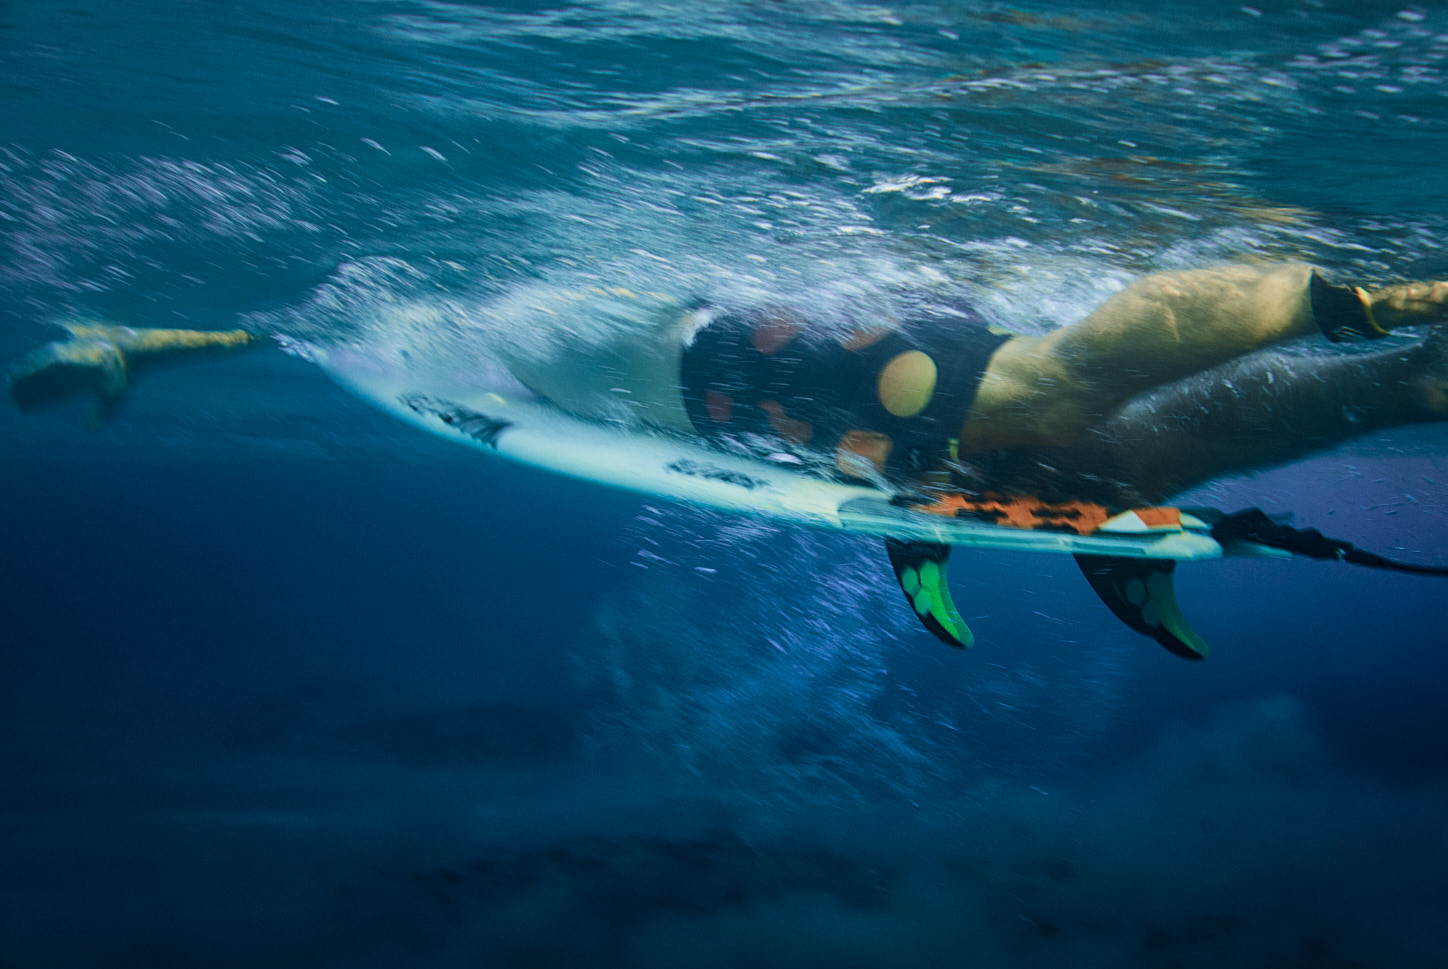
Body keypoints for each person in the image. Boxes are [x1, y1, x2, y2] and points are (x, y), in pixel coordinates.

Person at [8, 263, 1448, 511]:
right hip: (768, 363)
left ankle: (1373, 308)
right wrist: (131, 347)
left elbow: (274, 329)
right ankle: (1409, 376)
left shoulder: (411, 316)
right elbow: (271, 332)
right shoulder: (437, 315)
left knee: (1049, 400)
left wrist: (130, 345)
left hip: (746, 368)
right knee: (1107, 469)